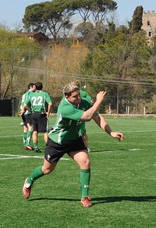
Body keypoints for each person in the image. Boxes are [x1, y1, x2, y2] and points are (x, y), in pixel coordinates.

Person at [22, 80, 124, 208]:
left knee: (85, 161)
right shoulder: (64, 108)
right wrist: (98, 100)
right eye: (75, 96)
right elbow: (87, 116)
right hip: (58, 142)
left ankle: (85, 197)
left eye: (79, 95)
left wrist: (111, 132)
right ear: (67, 97)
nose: (78, 98)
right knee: (47, 169)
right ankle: (29, 180)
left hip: (75, 139)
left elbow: (96, 116)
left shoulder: (82, 101)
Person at [23, 82, 52, 153]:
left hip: (33, 114)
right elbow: (50, 103)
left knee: (35, 131)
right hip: (41, 114)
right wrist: (48, 112)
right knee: (45, 131)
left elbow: (25, 105)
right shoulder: (44, 94)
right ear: (42, 87)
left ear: (35, 87)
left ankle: (36, 147)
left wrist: (30, 110)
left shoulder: (31, 95)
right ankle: (47, 148)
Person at [19, 83, 35, 150]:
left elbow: (21, 104)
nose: (35, 88)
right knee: (30, 128)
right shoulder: (30, 94)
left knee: (25, 128)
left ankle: (25, 143)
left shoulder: (24, 94)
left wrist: (22, 110)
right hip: (28, 112)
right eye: (34, 86)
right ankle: (28, 144)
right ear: (31, 87)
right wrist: (30, 110)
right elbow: (25, 104)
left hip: (23, 113)